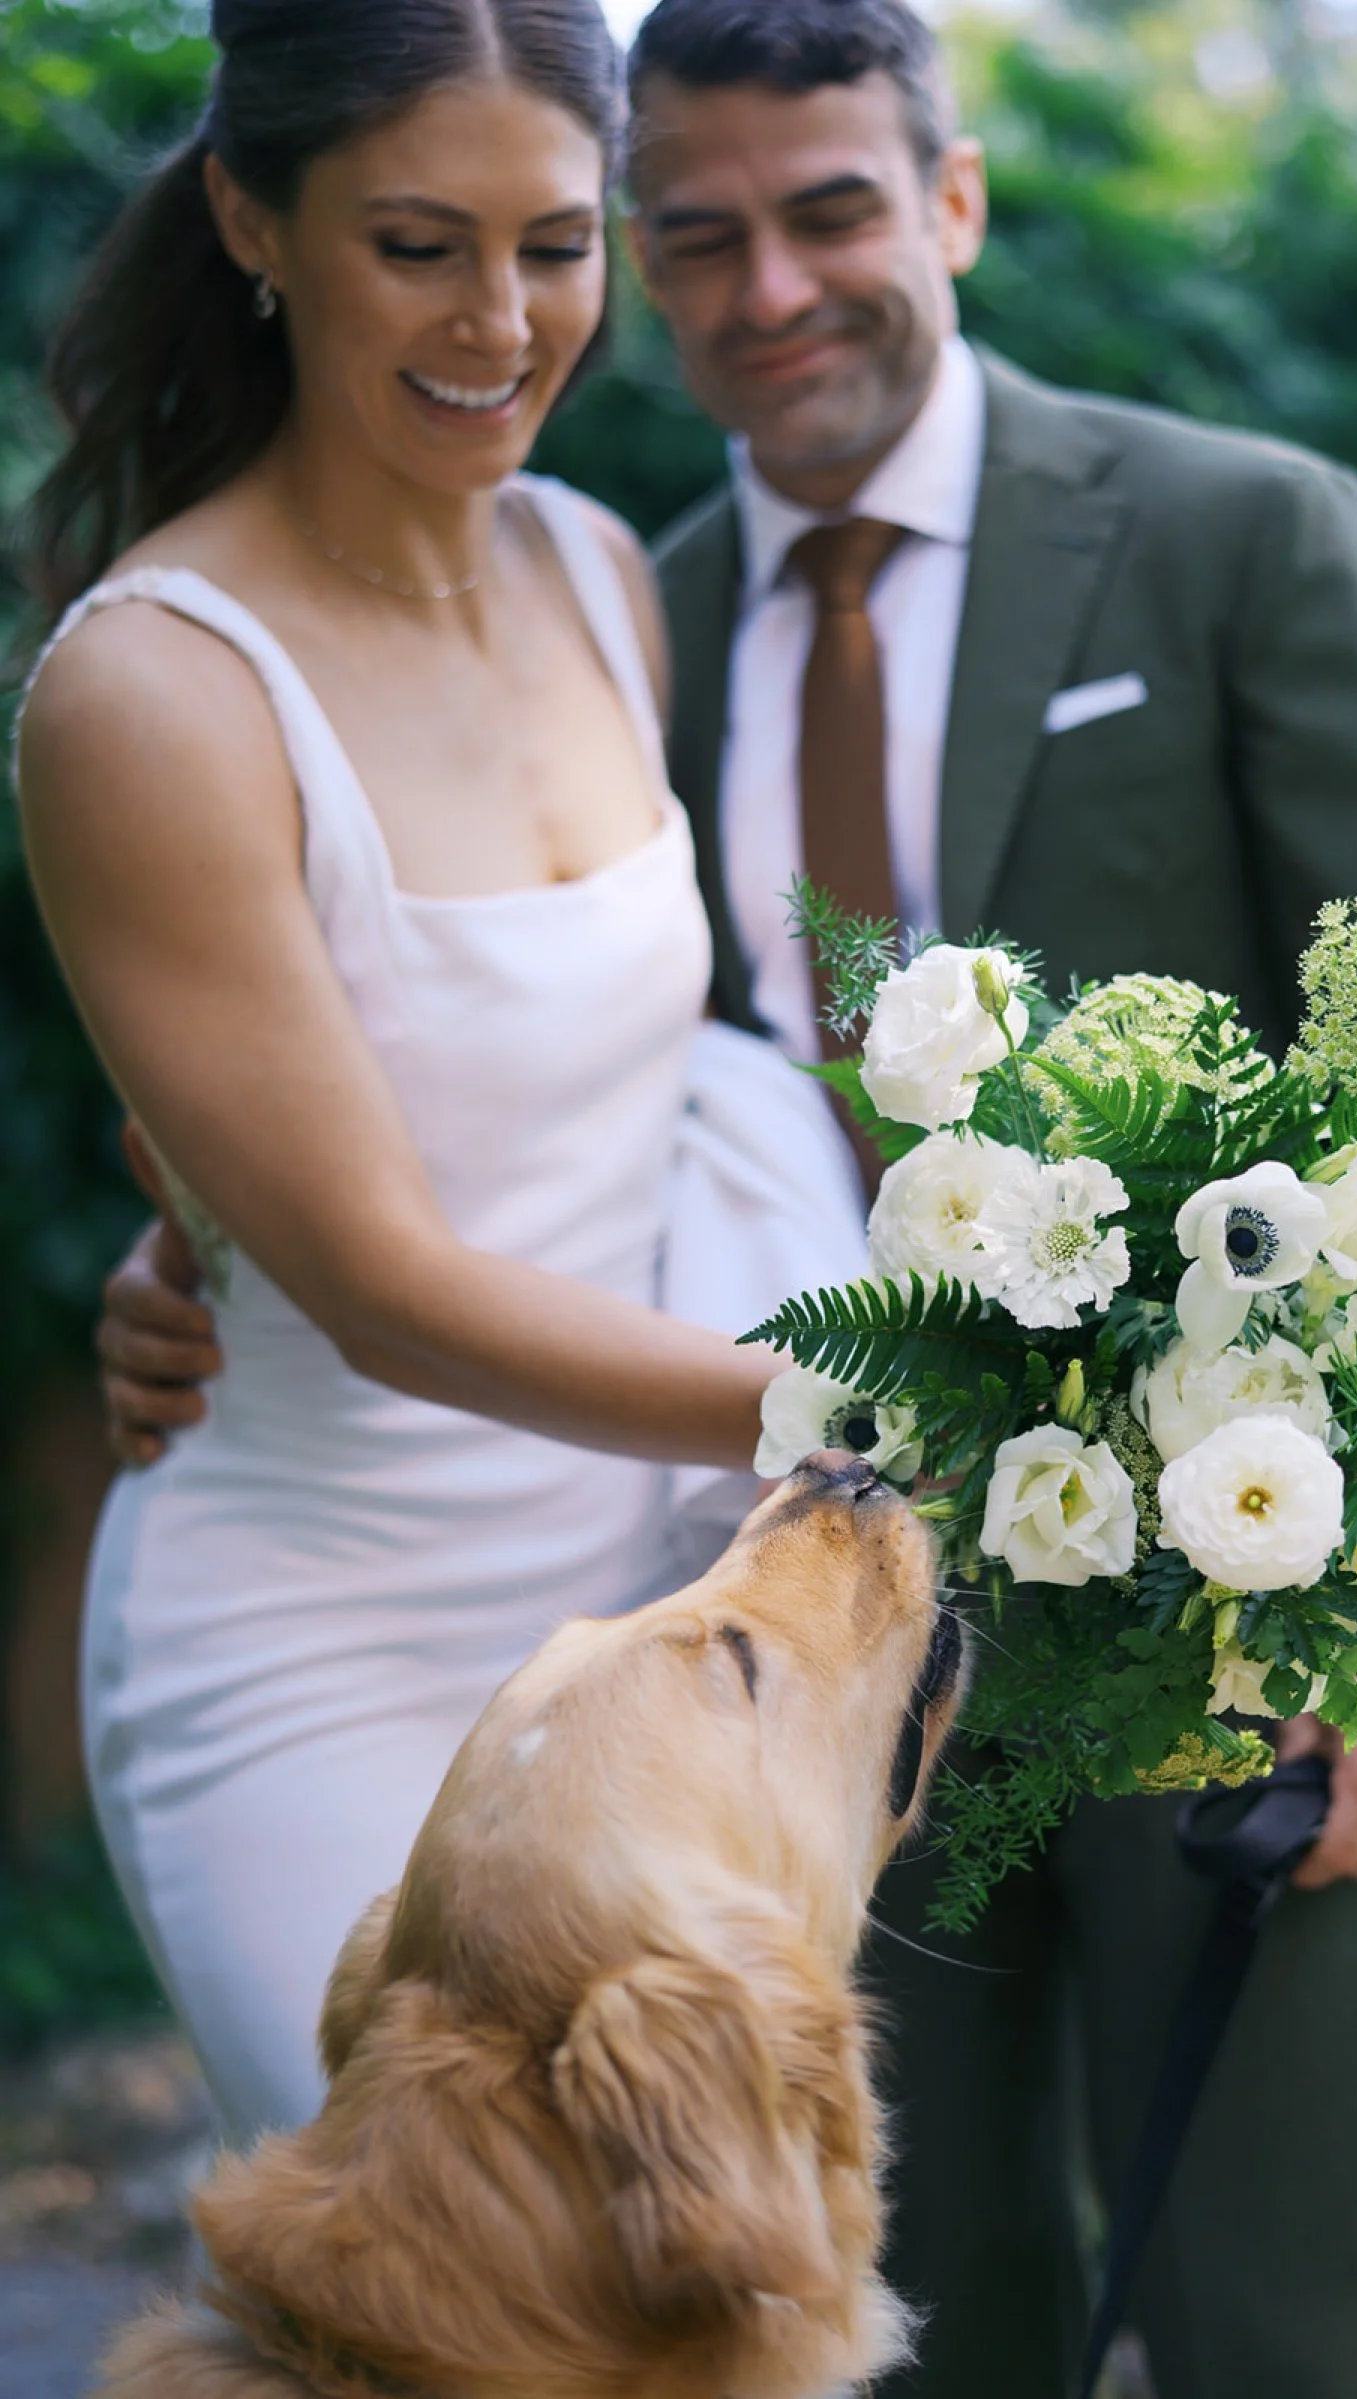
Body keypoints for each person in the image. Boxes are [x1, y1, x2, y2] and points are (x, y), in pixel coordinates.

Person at [97, 1, 1357, 2391]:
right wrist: (205, 1262)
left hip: (1215, 1627)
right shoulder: (620, 597)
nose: (769, 284)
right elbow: (476, 1067)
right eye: (695, 236)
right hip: (781, 1657)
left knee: (1288, 2311)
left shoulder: (1238, 532)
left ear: (954, 201)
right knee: (847, 2314)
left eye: (835, 210)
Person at [13, 0, 870, 2149]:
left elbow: (566, 1064)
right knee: (452, 2303)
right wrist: (884, 1411)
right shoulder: (155, 691)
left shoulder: (597, 571)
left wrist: (181, 1203)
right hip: (312, 1646)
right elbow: (386, 1275)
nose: (501, 322)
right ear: (251, 218)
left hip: (645, 1614)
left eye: (555, 243)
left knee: (696, 2296)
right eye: (418, 245)